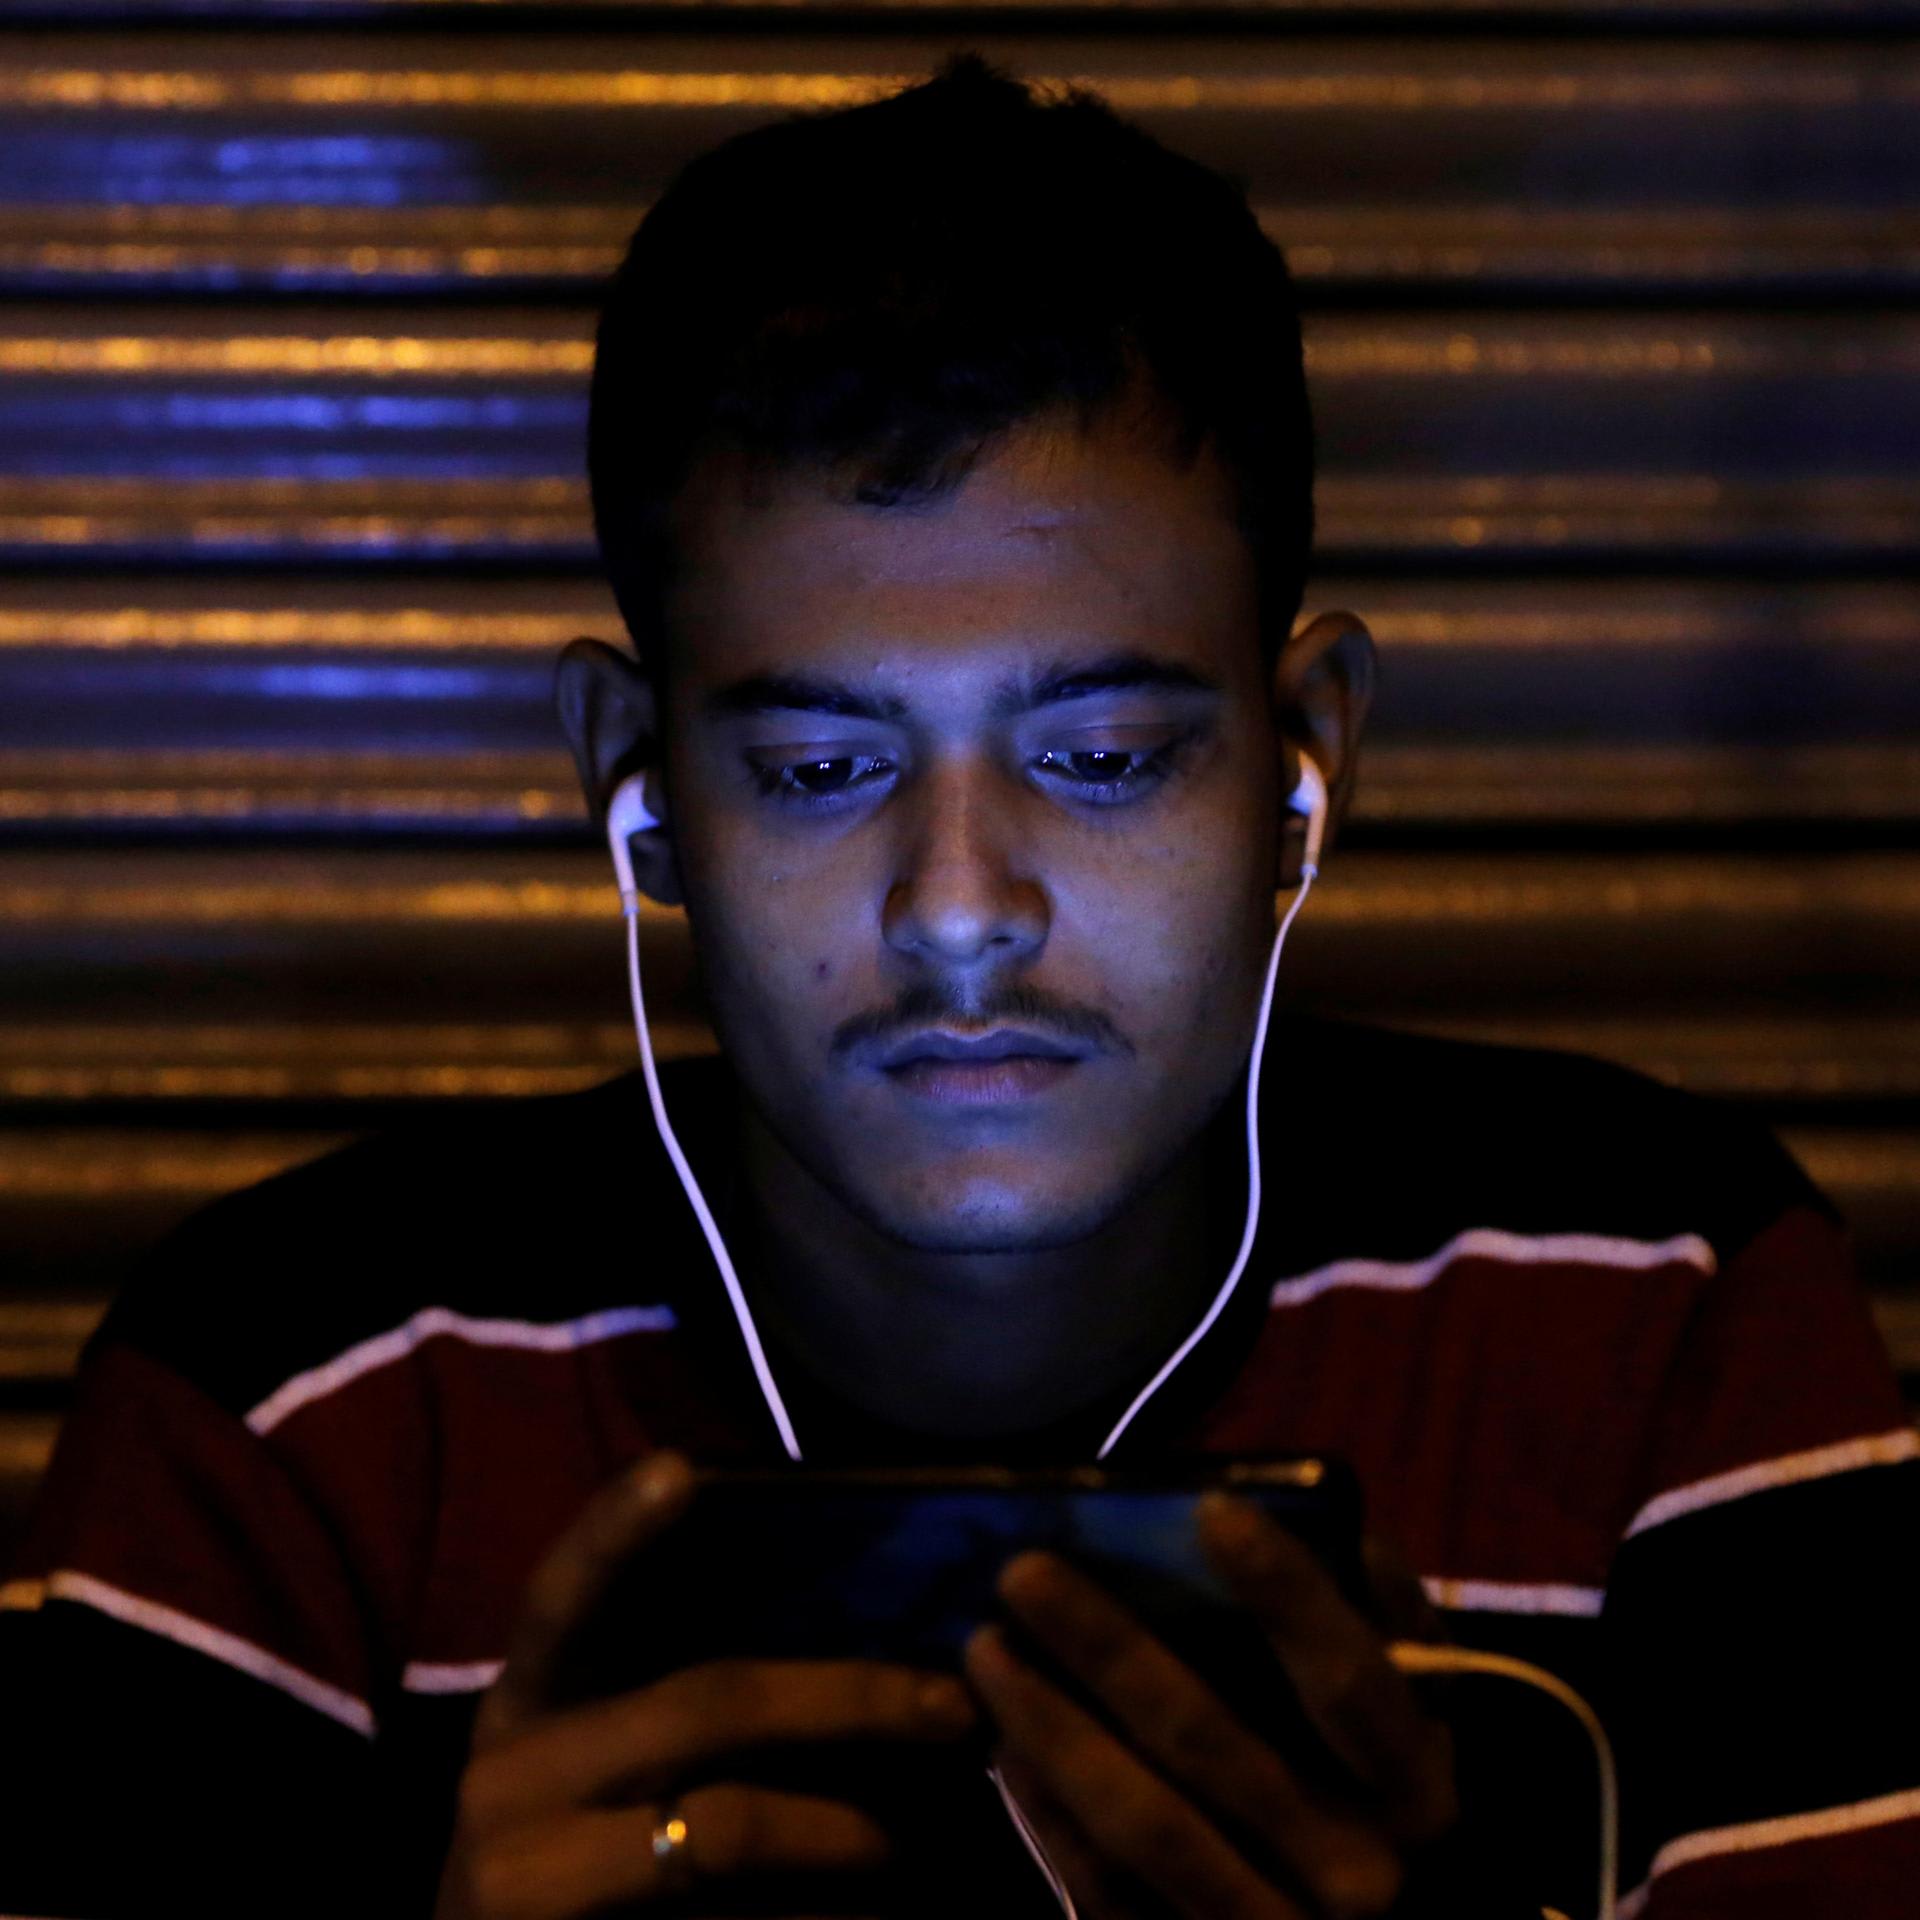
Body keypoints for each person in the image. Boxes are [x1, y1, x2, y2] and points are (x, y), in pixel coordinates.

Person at [3, 50, 1916, 1920]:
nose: (959, 909)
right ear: (637, 790)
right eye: (822, 769)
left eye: (1103, 757)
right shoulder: (295, 1404)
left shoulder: (1655, 1310)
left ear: (1305, 756)